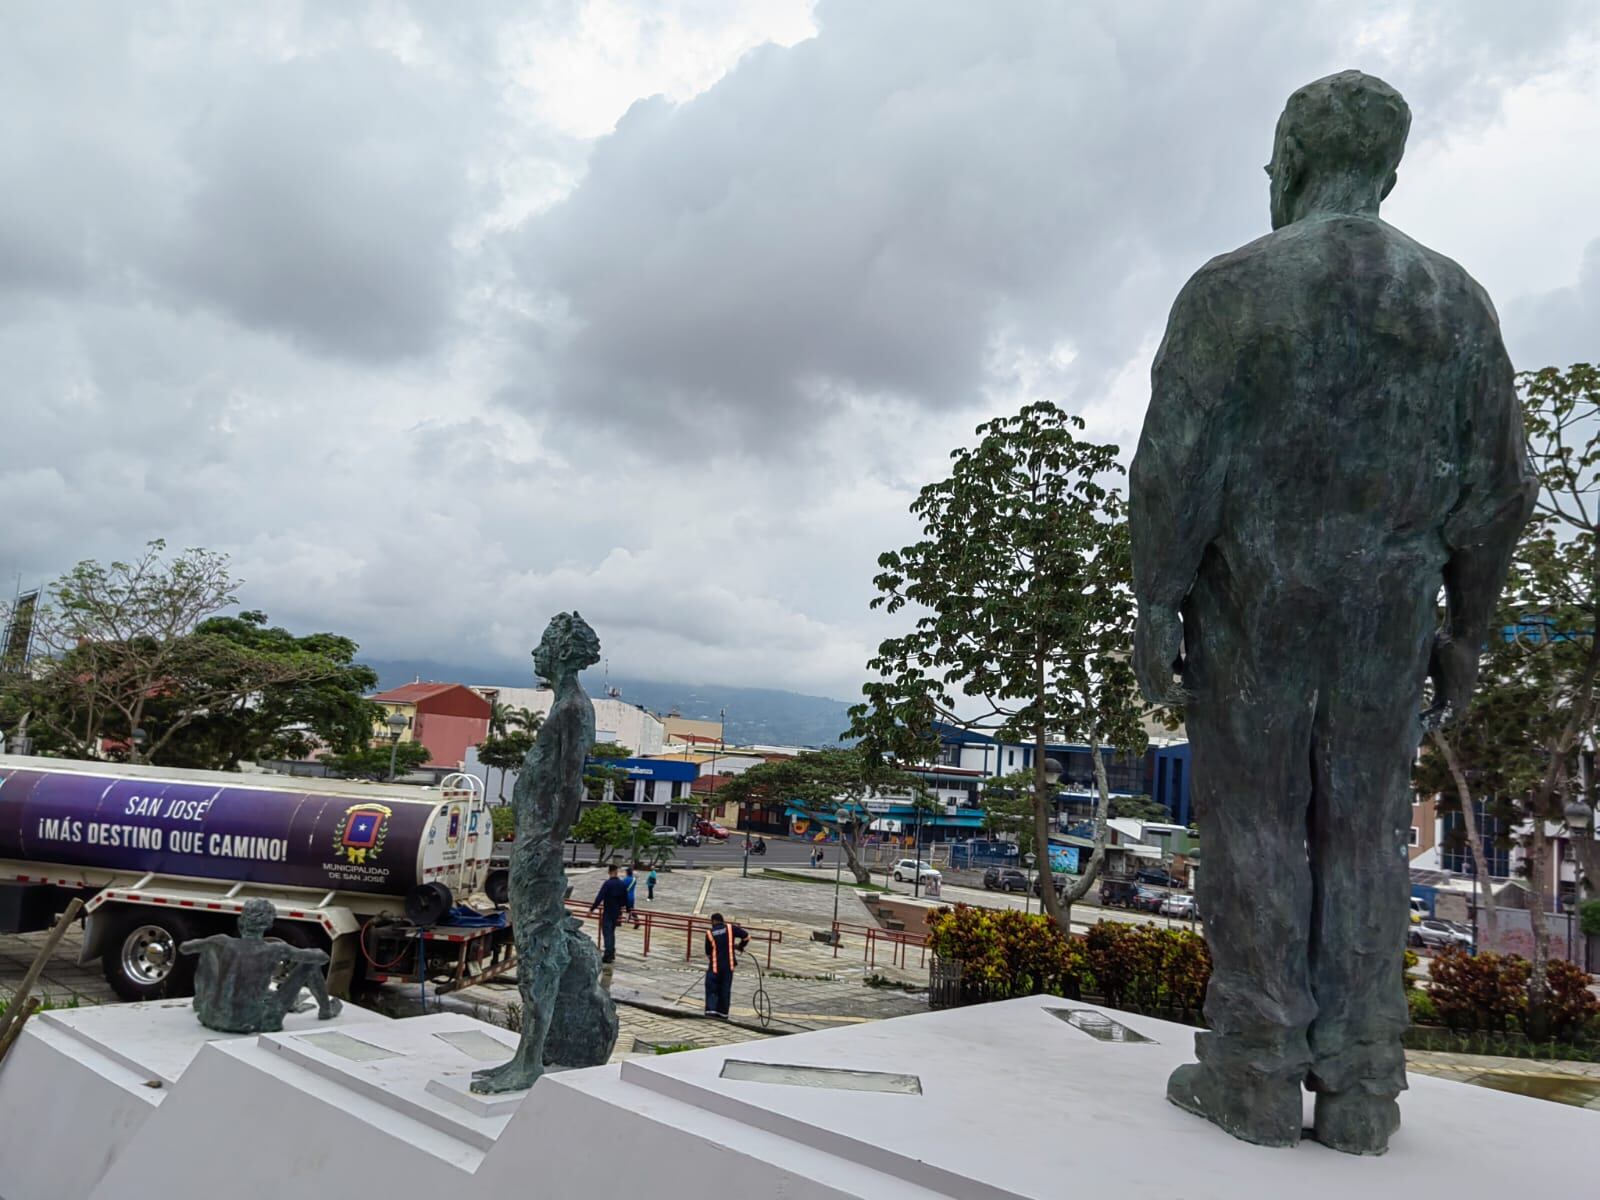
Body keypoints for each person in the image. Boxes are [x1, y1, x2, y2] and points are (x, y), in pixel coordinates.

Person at [1130, 72, 1532, 1155]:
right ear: (1388, 172)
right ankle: (1362, 1090)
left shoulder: (1232, 288)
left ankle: (1257, 1070)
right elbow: (1501, 490)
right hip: (1389, 600)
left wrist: (1156, 597)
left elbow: (1176, 465)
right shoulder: (1454, 301)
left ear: (1289, 162)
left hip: (1254, 593)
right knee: (1361, 830)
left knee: (1254, 820)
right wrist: (1467, 627)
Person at [179, 897, 341, 1034]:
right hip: (255, 1023)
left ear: (241, 921)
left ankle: (200, 1001)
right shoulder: (277, 949)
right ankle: (326, 1010)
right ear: (269, 924)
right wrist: (301, 953)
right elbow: (322, 958)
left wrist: (208, 943)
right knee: (310, 965)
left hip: (211, 1018)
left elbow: (185, 948)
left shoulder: (221, 941)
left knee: (207, 950)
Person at [702, 911, 750, 1019]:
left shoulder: (710, 933)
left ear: (713, 921)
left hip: (715, 967)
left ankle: (711, 1012)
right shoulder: (730, 928)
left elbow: (708, 952)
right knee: (725, 989)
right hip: (729, 966)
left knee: (712, 988)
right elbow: (746, 937)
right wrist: (740, 946)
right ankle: (723, 1014)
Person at [587, 863, 633, 963]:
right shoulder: (621, 884)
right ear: (617, 872)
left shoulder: (607, 884)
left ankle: (608, 955)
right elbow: (626, 899)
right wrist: (628, 911)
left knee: (607, 932)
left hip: (608, 910)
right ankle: (611, 953)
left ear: (609, 872)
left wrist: (592, 909)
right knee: (611, 932)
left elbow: (600, 897)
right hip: (617, 911)